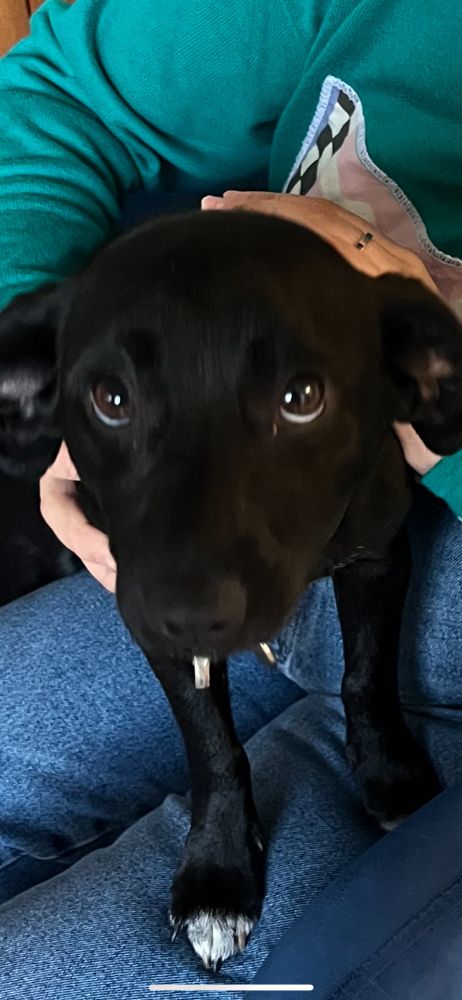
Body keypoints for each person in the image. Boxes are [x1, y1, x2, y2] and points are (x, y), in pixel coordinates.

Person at [0, 0, 462, 996]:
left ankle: (365, 726)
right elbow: (56, 95)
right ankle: (228, 787)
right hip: (265, 531)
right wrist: (62, 359)